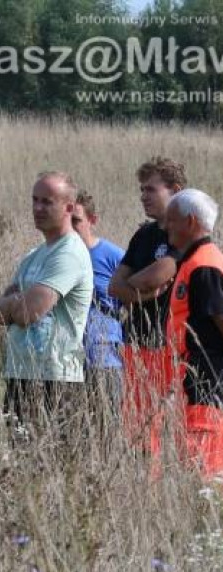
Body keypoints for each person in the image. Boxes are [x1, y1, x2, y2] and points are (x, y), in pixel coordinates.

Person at [0, 172, 94, 443]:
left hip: (55, 379)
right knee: (20, 460)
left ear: (69, 208)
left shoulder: (69, 253)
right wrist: (17, 302)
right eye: (35, 200)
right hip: (20, 373)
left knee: (53, 459)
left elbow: (28, 313)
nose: (38, 208)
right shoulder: (33, 256)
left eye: (47, 202)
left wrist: (16, 302)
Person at [109, 157, 186, 454]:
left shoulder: (184, 233)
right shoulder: (144, 234)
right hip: (136, 342)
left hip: (171, 346)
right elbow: (114, 286)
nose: (143, 196)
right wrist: (142, 293)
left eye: (151, 189)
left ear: (175, 190)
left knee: (176, 428)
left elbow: (156, 276)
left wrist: (138, 284)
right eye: (141, 189)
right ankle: (145, 478)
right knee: (137, 428)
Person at [164, 189, 223, 477]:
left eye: (171, 220)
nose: (166, 227)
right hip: (193, 376)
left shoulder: (205, 266)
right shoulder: (195, 261)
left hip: (207, 379)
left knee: (204, 468)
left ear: (190, 222)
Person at [72, 190, 125, 423]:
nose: (71, 227)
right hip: (65, 360)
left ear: (92, 220)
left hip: (103, 357)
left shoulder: (114, 256)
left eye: (76, 221)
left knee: (106, 426)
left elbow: (133, 302)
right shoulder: (54, 257)